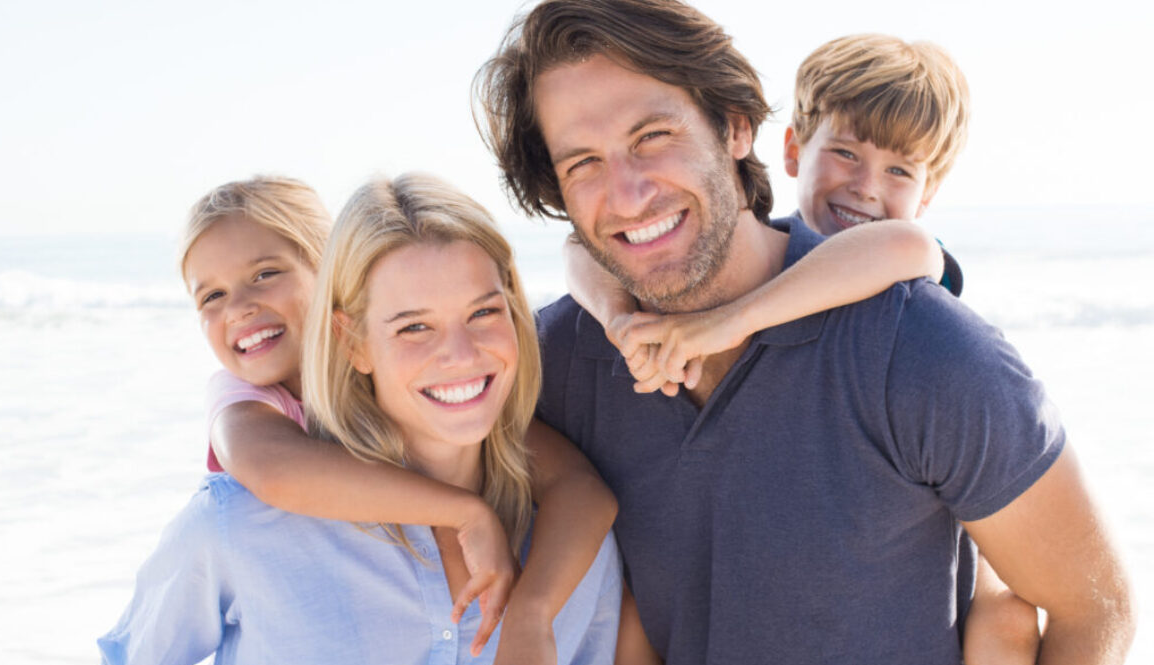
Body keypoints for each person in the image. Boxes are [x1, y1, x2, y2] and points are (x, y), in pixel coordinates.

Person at [474, 1, 1135, 663]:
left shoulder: (919, 349)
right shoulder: (558, 359)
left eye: (652, 136)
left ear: (735, 128)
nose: (627, 193)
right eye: (583, 162)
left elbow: (1093, 608)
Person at [562, 33, 1042, 664]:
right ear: (791, 151)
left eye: (900, 170)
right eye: (844, 153)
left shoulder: (905, 262)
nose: (867, 188)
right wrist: (619, 317)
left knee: (1007, 617)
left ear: (927, 192)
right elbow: (577, 251)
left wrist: (725, 324)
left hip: (948, 537)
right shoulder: (762, 244)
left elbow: (904, 248)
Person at [98, 173, 630, 664]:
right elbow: (272, 471)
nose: (460, 354)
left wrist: (531, 610)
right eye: (413, 327)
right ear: (350, 339)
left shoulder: (571, 550)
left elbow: (576, 484)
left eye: (483, 312)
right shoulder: (237, 510)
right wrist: (468, 514)